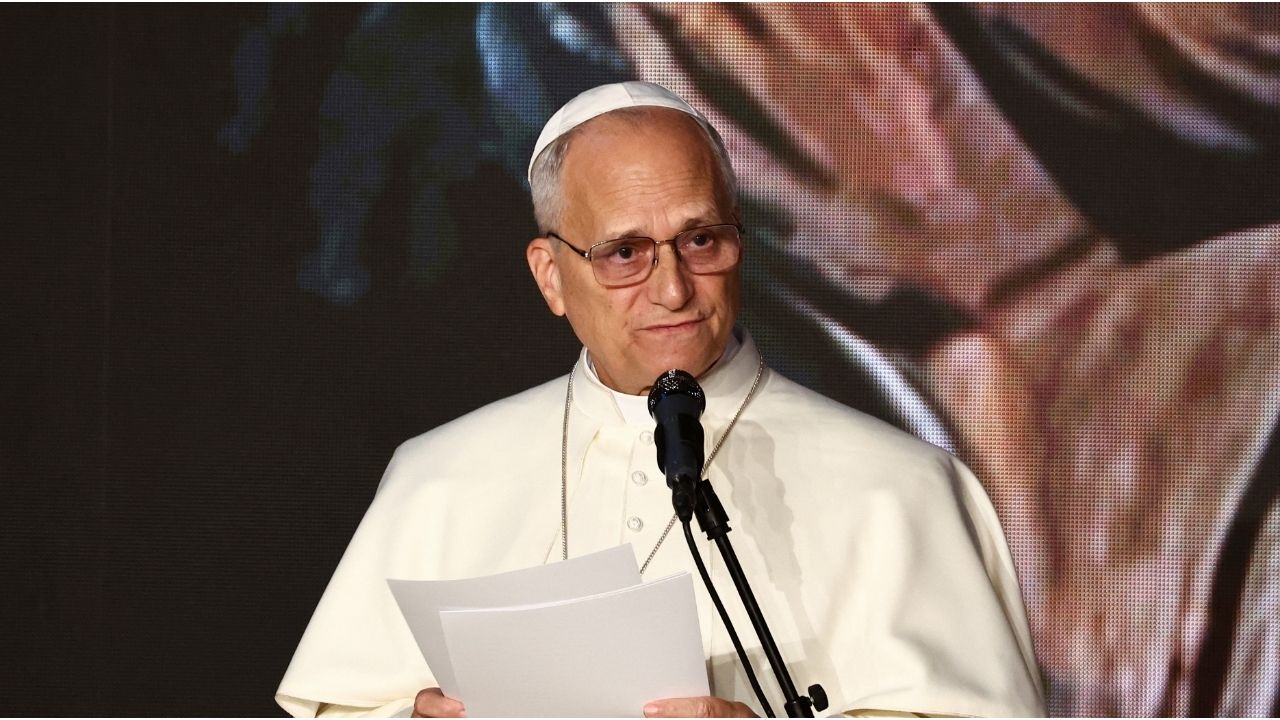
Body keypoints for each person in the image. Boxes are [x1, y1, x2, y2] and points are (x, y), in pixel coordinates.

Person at [276, 81, 1046, 718]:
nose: (673, 289)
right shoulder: (438, 476)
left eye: (700, 240)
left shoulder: (898, 487)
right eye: (625, 253)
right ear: (550, 276)